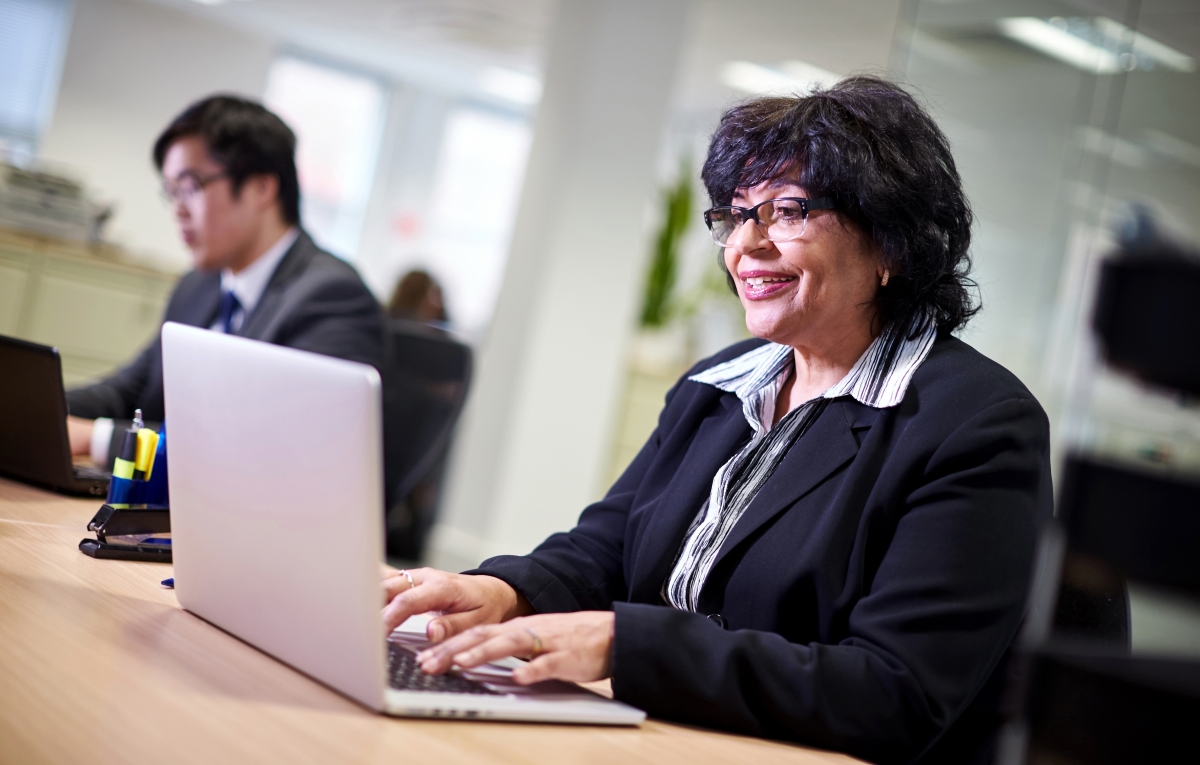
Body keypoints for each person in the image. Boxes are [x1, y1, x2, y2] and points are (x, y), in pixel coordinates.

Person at [380, 77, 1052, 764]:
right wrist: (505, 590)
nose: (746, 245)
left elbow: (892, 691)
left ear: (891, 243)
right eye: (736, 215)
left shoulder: (976, 427)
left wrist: (623, 643)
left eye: (788, 211)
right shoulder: (720, 383)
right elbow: (609, 545)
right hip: (666, 736)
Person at [66, 95, 384, 465]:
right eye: (171, 192)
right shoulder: (197, 287)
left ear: (261, 188)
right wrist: (36, 409)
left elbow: (269, 449)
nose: (179, 210)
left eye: (191, 186)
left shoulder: (332, 299)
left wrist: (99, 438)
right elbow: (129, 390)